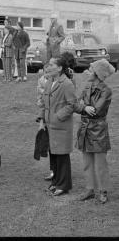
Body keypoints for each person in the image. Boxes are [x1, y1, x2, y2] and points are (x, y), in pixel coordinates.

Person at [75, 59, 115, 204]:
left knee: (100, 163)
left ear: (98, 73)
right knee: (87, 162)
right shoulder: (86, 86)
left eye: (91, 69)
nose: (88, 71)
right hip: (85, 129)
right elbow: (75, 104)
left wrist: (83, 106)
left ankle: (103, 190)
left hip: (98, 130)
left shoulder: (106, 91)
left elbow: (96, 111)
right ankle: (90, 189)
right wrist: (85, 107)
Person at [37, 56, 77, 196]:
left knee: (62, 156)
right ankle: (55, 182)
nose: (48, 67)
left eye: (52, 65)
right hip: (49, 125)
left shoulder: (67, 83)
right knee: (53, 155)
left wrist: (57, 117)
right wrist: (42, 120)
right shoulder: (49, 82)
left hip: (61, 126)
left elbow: (72, 104)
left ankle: (64, 185)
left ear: (60, 68)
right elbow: (43, 102)